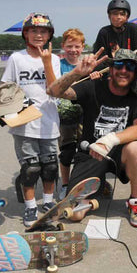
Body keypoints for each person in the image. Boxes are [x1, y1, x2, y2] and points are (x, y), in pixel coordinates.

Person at [47, 48, 137, 228]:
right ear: (111, 69)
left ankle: (135, 202)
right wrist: (76, 73)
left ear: (135, 72)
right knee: (74, 215)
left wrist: (109, 140)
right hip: (91, 151)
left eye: (130, 67)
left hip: (120, 152)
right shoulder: (92, 85)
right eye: (119, 65)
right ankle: (96, 189)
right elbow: (54, 91)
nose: (124, 70)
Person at [0, 13, 61, 227]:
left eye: (43, 31)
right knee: (30, 169)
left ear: (49, 34)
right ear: (25, 34)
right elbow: (5, 88)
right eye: (34, 31)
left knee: (50, 166)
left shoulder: (55, 59)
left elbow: (54, 89)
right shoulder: (16, 58)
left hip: (49, 121)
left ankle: (47, 202)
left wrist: (46, 61)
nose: (39, 35)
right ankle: (30, 206)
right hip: (23, 123)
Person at [57, 29, 85, 200]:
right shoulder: (57, 64)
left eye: (77, 46)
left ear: (82, 47)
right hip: (64, 115)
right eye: (69, 46)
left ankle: (82, 183)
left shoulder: (87, 64)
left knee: (84, 151)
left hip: (84, 115)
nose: (73, 50)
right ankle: (66, 184)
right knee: (67, 152)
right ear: (63, 46)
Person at [93, 0, 137, 67]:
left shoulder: (132, 29)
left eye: (122, 14)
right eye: (115, 14)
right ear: (109, 16)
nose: (118, 17)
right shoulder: (104, 32)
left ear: (127, 17)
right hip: (110, 71)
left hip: (131, 69)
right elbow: (99, 59)